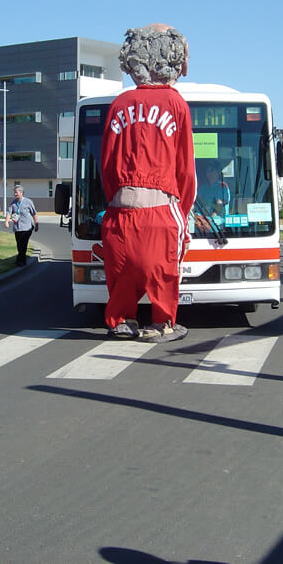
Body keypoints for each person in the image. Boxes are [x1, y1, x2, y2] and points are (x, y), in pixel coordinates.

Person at [100, 24, 195, 342]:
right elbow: (185, 168)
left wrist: (115, 197)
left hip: (119, 208)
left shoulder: (120, 104)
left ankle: (121, 320)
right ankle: (162, 323)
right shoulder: (175, 103)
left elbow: (107, 161)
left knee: (121, 269)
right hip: (159, 206)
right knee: (164, 269)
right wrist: (182, 208)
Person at [8, 185, 37, 266]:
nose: (15, 194)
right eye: (14, 192)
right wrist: (7, 221)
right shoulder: (13, 202)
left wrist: (36, 224)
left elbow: (34, 213)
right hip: (17, 227)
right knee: (19, 244)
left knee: (23, 244)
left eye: (16, 192)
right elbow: (9, 212)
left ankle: (21, 261)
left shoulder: (28, 202)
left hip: (27, 227)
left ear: (21, 193)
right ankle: (20, 259)